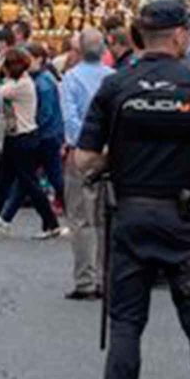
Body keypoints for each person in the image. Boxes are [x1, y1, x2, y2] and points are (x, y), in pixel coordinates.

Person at [74, 0, 190, 379]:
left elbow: (83, 160)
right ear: (180, 35)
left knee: (126, 324)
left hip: (132, 216)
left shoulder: (116, 86)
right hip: (183, 218)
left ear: (139, 36)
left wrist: (115, 159)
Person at [0, 48, 63, 239]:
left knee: (29, 184)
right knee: (2, 183)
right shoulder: (20, 82)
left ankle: (51, 224)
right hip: (17, 138)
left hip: (22, 139)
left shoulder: (21, 85)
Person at [60, 28, 115, 301]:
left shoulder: (71, 79)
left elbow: (69, 118)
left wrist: (83, 143)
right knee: (105, 216)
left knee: (81, 217)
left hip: (81, 151)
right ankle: (107, 278)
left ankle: (85, 279)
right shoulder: (113, 79)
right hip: (109, 152)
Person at [0, 43, 65, 230]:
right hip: (44, 135)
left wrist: (33, 127)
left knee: (45, 178)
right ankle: (5, 218)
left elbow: (45, 113)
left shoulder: (42, 83)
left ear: (39, 59)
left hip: (44, 136)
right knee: (27, 178)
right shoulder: (40, 80)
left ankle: (7, 218)